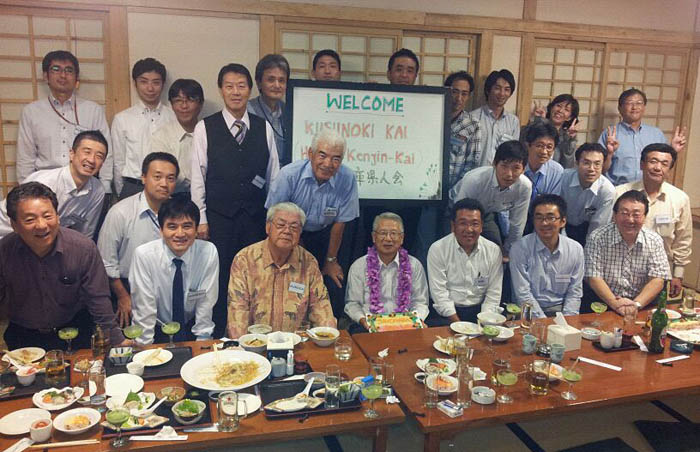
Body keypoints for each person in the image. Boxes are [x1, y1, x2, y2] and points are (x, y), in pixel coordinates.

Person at [191, 63, 280, 338]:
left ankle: (254, 331)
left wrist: (272, 218)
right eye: (229, 86)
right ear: (221, 90)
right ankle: (220, 331)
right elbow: (198, 175)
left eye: (241, 86)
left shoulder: (264, 128)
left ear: (250, 89)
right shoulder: (205, 127)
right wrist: (201, 219)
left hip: (254, 218)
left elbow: (274, 176)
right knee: (220, 276)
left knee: (255, 276)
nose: (235, 92)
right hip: (219, 218)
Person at [0, 182, 127, 350]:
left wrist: (117, 340)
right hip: (24, 337)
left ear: (58, 216)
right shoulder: (5, 251)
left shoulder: (83, 249)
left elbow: (98, 299)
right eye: (30, 219)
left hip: (74, 332)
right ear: (14, 225)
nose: (42, 225)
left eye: (47, 216)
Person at [265, 128, 359, 316]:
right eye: (322, 155)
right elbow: (275, 219)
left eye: (336, 159)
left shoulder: (347, 178)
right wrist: (298, 257)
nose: (328, 164)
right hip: (290, 233)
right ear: (310, 154)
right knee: (296, 279)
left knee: (334, 283)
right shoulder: (289, 175)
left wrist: (331, 260)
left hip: (327, 233)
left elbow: (340, 223)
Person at [227, 202, 337, 338]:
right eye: (280, 225)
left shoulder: (308, 262)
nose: (287, 231)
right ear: (268, 227)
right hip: (255, 345)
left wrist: (327, 340)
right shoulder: (245, 259)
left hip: (297, 346)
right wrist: (244, 350)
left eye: (294, 227)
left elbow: (321, 306)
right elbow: (238, 310)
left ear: (300, 232)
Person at [97, 152, 179, 327]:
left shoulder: (180, 214)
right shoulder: (120, 213)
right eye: (157, 177)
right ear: (143, 177)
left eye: (170, 178)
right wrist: (123, 296)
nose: (164, 184)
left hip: (169, 287)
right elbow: (106, 262)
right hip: (129, 289)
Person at [16, 50, 112, 196]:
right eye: (56, 69)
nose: (63, 75)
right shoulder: (31, 112)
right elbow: (25, 157)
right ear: (46, 76)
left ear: (76, 77)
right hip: (44, 187)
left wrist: (105, 188)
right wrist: (27, 192)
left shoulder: (93, 110)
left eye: (69, 70)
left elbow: (105, 152)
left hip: (85, 185)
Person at [130, 197, 218, 344]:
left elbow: (206, 303)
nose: (180, 234)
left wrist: (203, 344)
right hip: (157, 329)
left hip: (190, 327)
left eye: (187, 226)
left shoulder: (208, 252)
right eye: (172, 227)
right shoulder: (144, 256)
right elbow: (144, 311)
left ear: (196, 229)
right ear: (161, 230)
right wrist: (145, 352)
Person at [615, 143, 691, 298]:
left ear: (670, 168)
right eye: (653, 161)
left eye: (664, 164)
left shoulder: (680, 199)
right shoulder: (620, 192)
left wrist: (678, 274)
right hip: (619, 272)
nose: (658, 168)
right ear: (642, 164)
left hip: (657, 274)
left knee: (650, 319)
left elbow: (683, 239)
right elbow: (606, 232)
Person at [0, 130, 108, 239]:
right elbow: (20, 221)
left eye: (99, 156)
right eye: (87, 152)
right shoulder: (44, 182)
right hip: (9, 232)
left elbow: (86, 234)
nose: (91, 160)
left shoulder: (97, 190)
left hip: (42, 238)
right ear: (72, 154)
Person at [584, 190, 671, 314]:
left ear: (645, 217)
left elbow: (658, 279)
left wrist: (635, 304)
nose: (630, 220)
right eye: (624, 213)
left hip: (641, 305)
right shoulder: (598, 237)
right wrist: (615, 304)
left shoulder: (654, 240)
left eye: (636, 215)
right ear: (614, 215)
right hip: (604, 304)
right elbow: (593, 277)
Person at [345, 212, 429, 332]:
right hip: (369, 327)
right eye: (383, 233)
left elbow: (420, 302)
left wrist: (416, 320)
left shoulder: (414, 265)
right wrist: (364, 321)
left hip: (405, 327)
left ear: (401, 238)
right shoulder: (359, 266)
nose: (388, 239)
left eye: (394, 234)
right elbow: (352, 304)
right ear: (374, 237)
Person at [451, 140, 532, 258]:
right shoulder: (475, 180)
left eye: (516, 168)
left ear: (523, 169)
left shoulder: (524, 187)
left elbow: (517, 224)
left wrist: (509, 251)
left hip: (486, 214)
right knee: (459, 249)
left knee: (496, 251)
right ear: (494, 164)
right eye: (504, 166)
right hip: (455, 209)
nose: (509, 174)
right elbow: (458, 217)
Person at [427, 198, 502, 324]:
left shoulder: (493, 251)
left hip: (481, 313)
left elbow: (493, 294)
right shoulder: (438, 249)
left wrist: (483, 323)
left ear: (482, 226)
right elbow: (439, 294)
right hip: (447, 315)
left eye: (475, 224)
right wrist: (460, 325)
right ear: (453, 226)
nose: (469, 229)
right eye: (463, 223)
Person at [510, 194, 584, 318]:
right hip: (527, 311)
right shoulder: (520, 248)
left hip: (562, 310)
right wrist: (543, 322)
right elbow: (522, 293)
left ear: (563, 221)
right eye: (539, 218)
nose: (544, 223)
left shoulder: (575, 249)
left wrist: (568, 320)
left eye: (551, 218)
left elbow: (575, 292)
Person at [112, 57, 175, 199]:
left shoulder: (173, 117)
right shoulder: (122, 119)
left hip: (166, 188)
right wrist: (122, 192)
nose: (150, 88)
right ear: (135, 83)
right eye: (144, 82)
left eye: (156, 82)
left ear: (163, 84)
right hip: (133, 186)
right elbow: (119, 162)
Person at [599, 88, 686, 185]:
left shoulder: (656, 134)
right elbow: (600, 169)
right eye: (629, 103)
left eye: (639, 103)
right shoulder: (609, 134)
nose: (634, 107)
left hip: (649, 189)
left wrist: (673, 150)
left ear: (644, 107)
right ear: (620, 108)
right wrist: (610, 154)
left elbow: (665, 165)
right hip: (619, 190)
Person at [151, 79, 204, 195]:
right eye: (178, 101)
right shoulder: (161, 136)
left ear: (201, 104)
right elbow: (162, 172)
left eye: (190, 100)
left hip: (207, 198)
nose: (184, 106)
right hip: (171, 198)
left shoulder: (209, 133)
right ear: (171, 105)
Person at [559, 143, 615, 246]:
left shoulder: (607, 191)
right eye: (586, 163)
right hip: (560, 225)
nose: (591, 169)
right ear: (576, 163)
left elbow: (597, 229)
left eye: (597, 164)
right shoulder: (563, 178)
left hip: (587, 230)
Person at [470, 69, 520, 167]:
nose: (502, 93)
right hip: (475, 176)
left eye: (507, 89)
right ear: (488, 90)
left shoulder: (513, 122)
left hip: (501, 177)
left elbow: (513, 154)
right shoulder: (472, 117)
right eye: (497, 88)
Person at [247, 54, 289, 164]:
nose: (277, 85)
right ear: (259, 83)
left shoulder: (290, 111)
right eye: (271, 80)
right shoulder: (247, 111)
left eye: (281, 80)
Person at [444, 71, 481, 195]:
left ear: (469, 96)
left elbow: (472, 164)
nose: (459, 98)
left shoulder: (473, 124)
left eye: (464, 94)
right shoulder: (433, 116)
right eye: (455, 92)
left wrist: (455, 192)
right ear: (446, 90)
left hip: (456, 191)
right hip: (427, 189)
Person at [523, 94, 580, 168]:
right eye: (558, 106)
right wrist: (537, 121)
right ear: (551, 107)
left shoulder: (566, 137)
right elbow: (523, 145)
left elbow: (567, 166)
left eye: (566, 110)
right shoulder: (537, 125)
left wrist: (570, 140)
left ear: (570, 117)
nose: (560, 110)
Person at [523, 122, 564, 202]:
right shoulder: (517, 166)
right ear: (528, 145)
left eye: (549, 147)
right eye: (539, 146)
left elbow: (553, 202)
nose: (544, 152)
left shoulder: (557, 171)